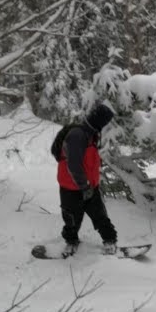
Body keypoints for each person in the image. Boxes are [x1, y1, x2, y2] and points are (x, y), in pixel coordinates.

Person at [50, 103, 117, 256]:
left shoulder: (91, 133)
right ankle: (71, 242)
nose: (105, 125)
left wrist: (90, 185)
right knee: (72, 219)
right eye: (105, 121)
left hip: (89, 186)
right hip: (72, 187)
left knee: (100, 215)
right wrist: (84, 186)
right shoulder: (77, 135)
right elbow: (73, 165)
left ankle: (110, 240)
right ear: (99, 120)